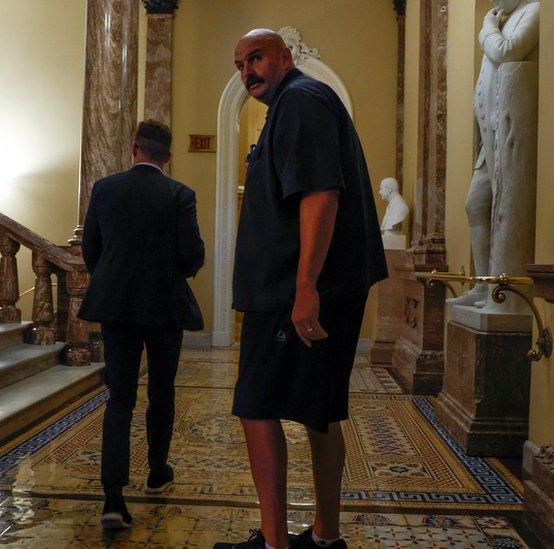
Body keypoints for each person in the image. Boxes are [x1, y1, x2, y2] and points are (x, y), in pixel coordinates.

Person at [214, 29, 387, 549]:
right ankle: (326, 537)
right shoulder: (293, 105)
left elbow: (319, 195)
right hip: (307, 288)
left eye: (257, 57)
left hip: (293, 292)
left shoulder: (301, 100)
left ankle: (274, 543)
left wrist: (305, 287)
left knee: (256, 406)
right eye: (241, 63)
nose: (248, 72)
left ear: (286, 58)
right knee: (319, 409)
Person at [79, 120, 205, 530]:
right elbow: (192, 256)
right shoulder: (179, 194)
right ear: (168, 156)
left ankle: (113, 499)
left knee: (120, 398)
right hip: (165, 306)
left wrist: (115, 281)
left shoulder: (105, 189)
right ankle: (156, 470)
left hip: (117, 306)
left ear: (134, 148)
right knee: (161, 390)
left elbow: (91, 250)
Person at [448, 0, 539, 309]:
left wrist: (486, 29)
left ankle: (497, 290)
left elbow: (508, 51)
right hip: (490, 137)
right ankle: (483, 284)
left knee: (503, 208)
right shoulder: (506, 19)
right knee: (475, 204)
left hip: (509, 132)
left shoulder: (534, 10)